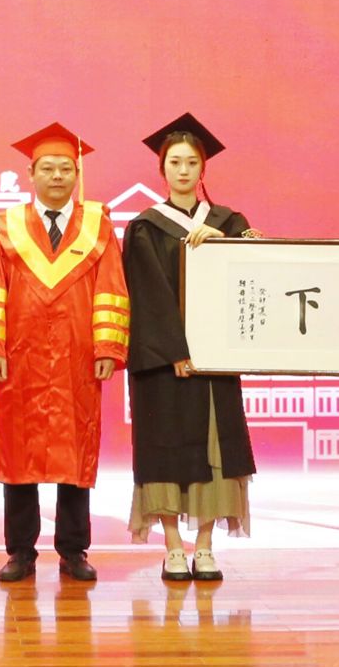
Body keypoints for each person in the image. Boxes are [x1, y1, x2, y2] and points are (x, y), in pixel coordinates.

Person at [0, 122, 129, 583]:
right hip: (20, 354)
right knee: (19, 449)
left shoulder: (98, 226)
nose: (57, 176)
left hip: (77, 353)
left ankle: (73, 550)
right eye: (48, 168)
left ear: (77, 174)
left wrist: (107, 346)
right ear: (30, 173)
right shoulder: (7, 226)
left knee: (74, 449)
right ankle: (20, 551)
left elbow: (111, 288)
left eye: (65, 168)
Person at [123, 113, 262, 582]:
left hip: (215, 361)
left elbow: (257, 270)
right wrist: (175, 351)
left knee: (213, 449)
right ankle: (172, 548)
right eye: (174, 162)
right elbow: (148, 296)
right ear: (162, 168)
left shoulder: (229, 222)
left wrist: (223, 243)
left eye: (191, 162)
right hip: (165, 362)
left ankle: (204, 547)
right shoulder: (145, 227)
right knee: (164, 449)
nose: (183, 170)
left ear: (204, 168)